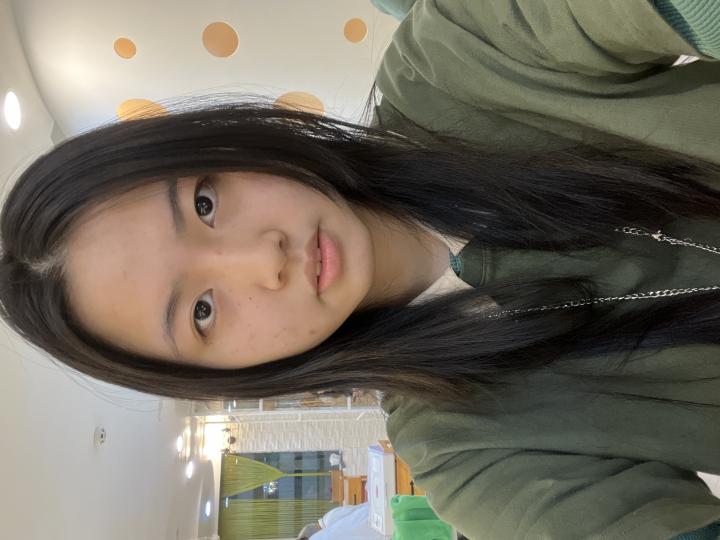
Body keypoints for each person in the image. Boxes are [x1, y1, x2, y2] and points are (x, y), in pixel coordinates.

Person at [1, 0, 720, 537]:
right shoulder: (465, 456)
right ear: (223, 377)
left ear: (221, 146)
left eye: (204, 202)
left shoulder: (456, 61)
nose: (263, 258)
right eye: (202, 311)